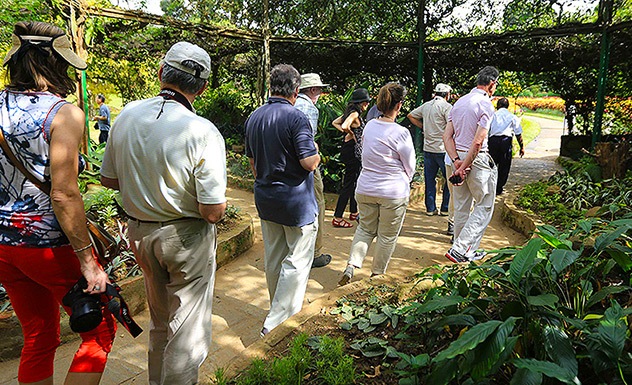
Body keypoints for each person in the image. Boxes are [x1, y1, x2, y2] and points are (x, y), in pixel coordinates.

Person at [100, 41, 227, 385]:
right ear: (201, 88)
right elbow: (212, 211)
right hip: (185, 239)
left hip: (140, 234)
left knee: (159, 322)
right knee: (186, 333)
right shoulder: (202, 131)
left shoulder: (127, 115)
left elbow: (109, 179)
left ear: (160, 74)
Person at [0, 21, 116, 385]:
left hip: (4, 247)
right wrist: (89, 263)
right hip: (47, 246)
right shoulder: (63, 114)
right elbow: (64, 194)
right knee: (100, 332)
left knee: (38, 335)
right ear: (55, 63)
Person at [245, 64, 320, 336]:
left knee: (274, 257)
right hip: (296, 203)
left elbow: (253, 164)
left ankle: (278, 309)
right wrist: (318, 153)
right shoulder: (296, 118)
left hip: (266, 198)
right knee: (297, 261)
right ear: (296, 90)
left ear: (271, 86)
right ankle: (276, 321)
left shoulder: (254, 117)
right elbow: (309, 163)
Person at [339, 83, 416, 285]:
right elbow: (410, 165)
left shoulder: (370, 125)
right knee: (387, 236)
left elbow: (365, 154)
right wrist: (405, 181)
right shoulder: (401, 132)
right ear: (399, 105)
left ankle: (351, 266)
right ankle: (376, 275)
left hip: (365, 187)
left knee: (364, 229)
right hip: (393, 191)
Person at [443, 66, 499, 263]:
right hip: (476, 160)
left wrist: (457, 162)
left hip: (456, 156)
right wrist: (465, 166)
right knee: (484, 204)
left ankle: (461, 250)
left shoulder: (459, 102)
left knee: (461, 206)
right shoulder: (485, 104)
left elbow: (447, 136)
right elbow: (478, 141)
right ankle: (460, 248)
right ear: (492, 84)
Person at [294, 73, 331, 268]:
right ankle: (315, 252)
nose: (321, 93)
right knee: (319, 203)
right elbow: (308, 143)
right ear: (313, 90)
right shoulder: (309, 108)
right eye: (320, 89)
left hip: (286, 167)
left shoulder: (289, 104)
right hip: (306, 164)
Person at [408, 83, 453, 216]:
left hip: (428, 148)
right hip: (443, 149)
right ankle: (445, 208)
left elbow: (411, 115)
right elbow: (452, 125)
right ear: (447, 94)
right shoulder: (447, 107)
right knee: (449, 180)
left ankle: (430, 208)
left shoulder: (426, 105)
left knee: (429, 179)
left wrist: (423, 127)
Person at [331, 88, 371, 228]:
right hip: (353, 152)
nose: (367, 105)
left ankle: (353, 211)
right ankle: (337, 216)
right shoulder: (354, 114)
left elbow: (335, 123)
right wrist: (350, 133)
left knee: (354, 181)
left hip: (350, 151)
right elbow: (343, 125)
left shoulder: (352, 113)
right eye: (365, 103)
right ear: (360, 103)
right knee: (349, 183)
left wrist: (347, 132)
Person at [489, 97, 524, 195]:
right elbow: (518, 133)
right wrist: (522, 147)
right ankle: (499, 187)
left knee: (491, 164)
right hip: (506, 141)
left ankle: (490, 185)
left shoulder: (493, 116)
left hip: (493, 141)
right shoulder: (512, 117)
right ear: (508, 106)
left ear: (497, 106)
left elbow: (486, 130)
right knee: (504, 165)